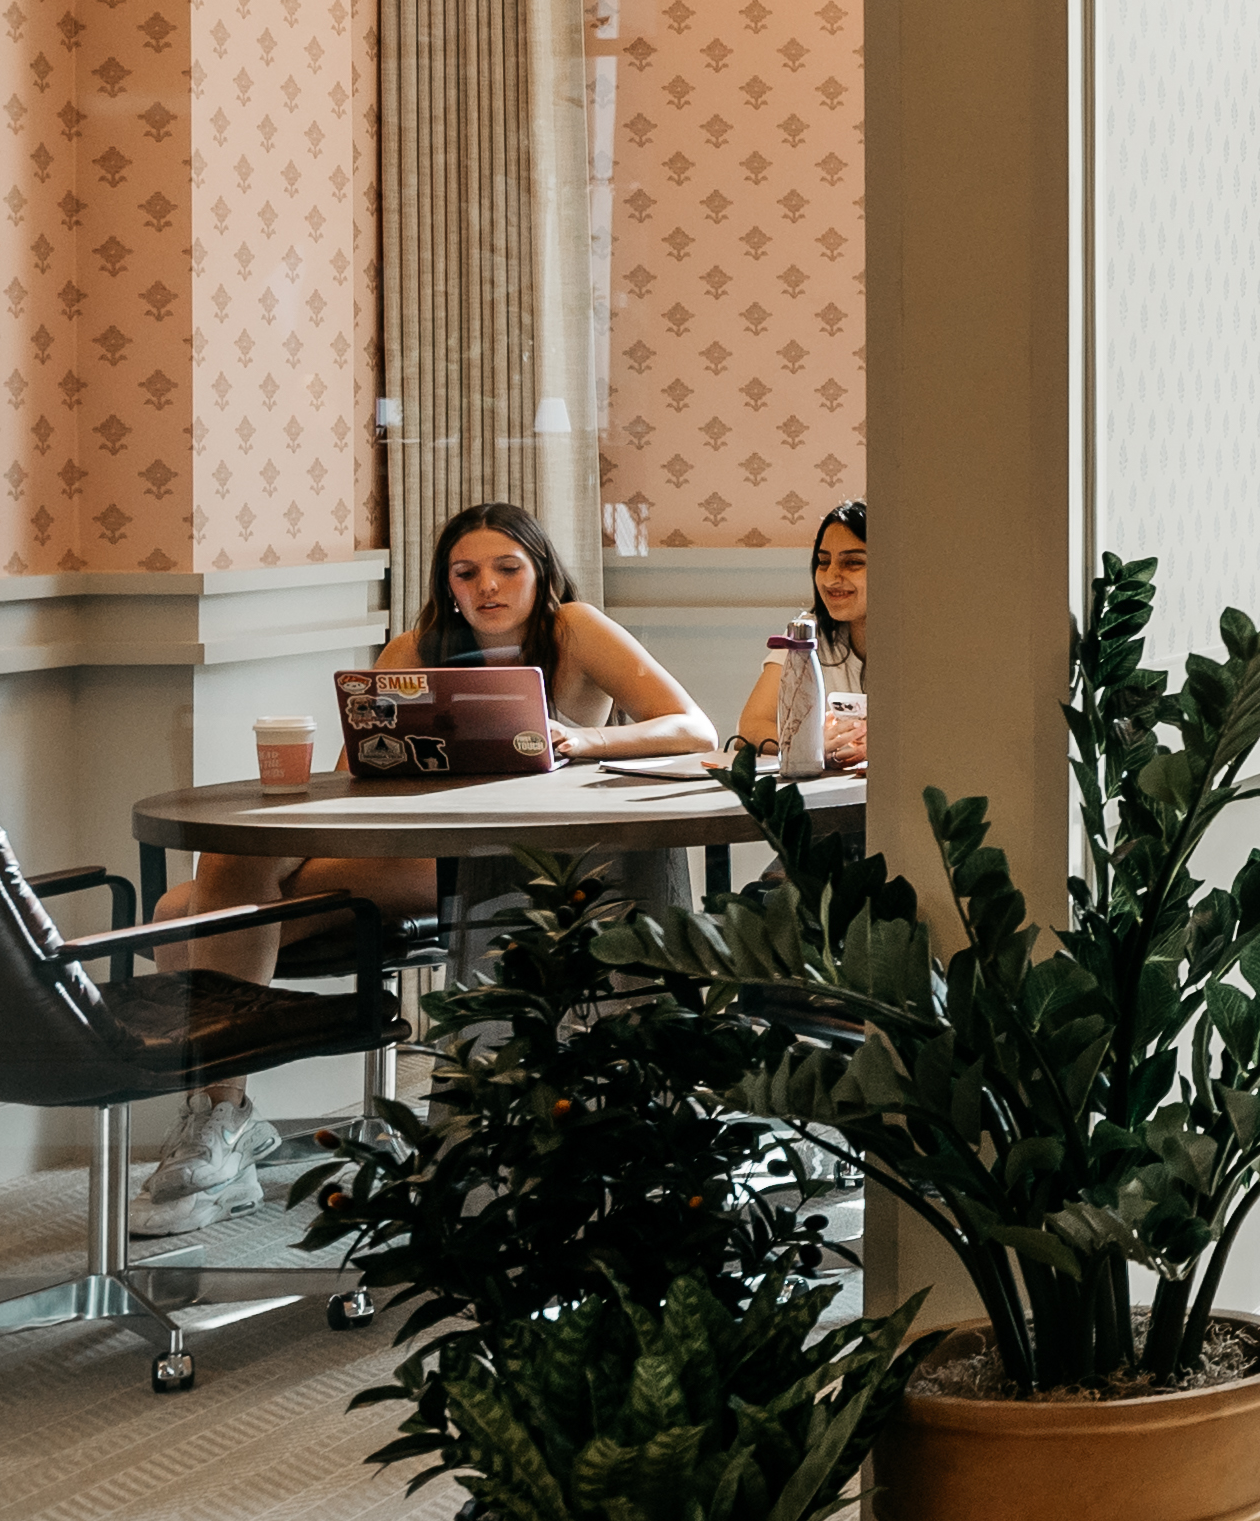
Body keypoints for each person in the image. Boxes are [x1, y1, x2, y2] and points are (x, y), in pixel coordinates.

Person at [133, 502, 717, 1232]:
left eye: (508, 567)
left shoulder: (575, 628)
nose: (488, 586)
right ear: (447, 583)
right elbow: (355, 781)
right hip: (401, 843)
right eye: (466, 572)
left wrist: (581, 741)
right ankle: (221, 1121)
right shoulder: (415, 648)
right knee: (216, 865)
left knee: (181, 915)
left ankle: (222, 1126)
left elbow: (694, 727)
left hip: (499, 860)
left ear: (541, 572)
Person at [735, 497, 873, 767]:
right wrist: (809, 743)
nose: (831, 576)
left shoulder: (926, 640)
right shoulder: (808, 632)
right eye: (823, 562)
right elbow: (750, 727)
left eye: (853, 562)